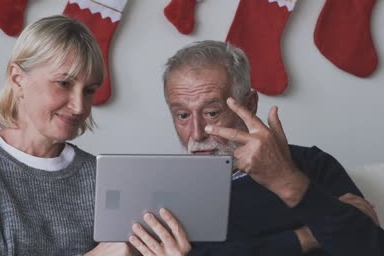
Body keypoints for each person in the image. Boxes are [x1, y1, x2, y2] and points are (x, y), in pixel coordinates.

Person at [0, 15, 190, 256]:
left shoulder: (103, 177)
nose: (79, 106)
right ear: (18, 79)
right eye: (64, 83)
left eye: (89, 90)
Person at [159, 40, 384, 255]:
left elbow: (371, 249)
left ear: (249, 104)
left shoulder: (312, 163)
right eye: (182, 115)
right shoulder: (164, 192)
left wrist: (285, 180)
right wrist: (307, 237)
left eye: (212, 113)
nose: (197, 133)